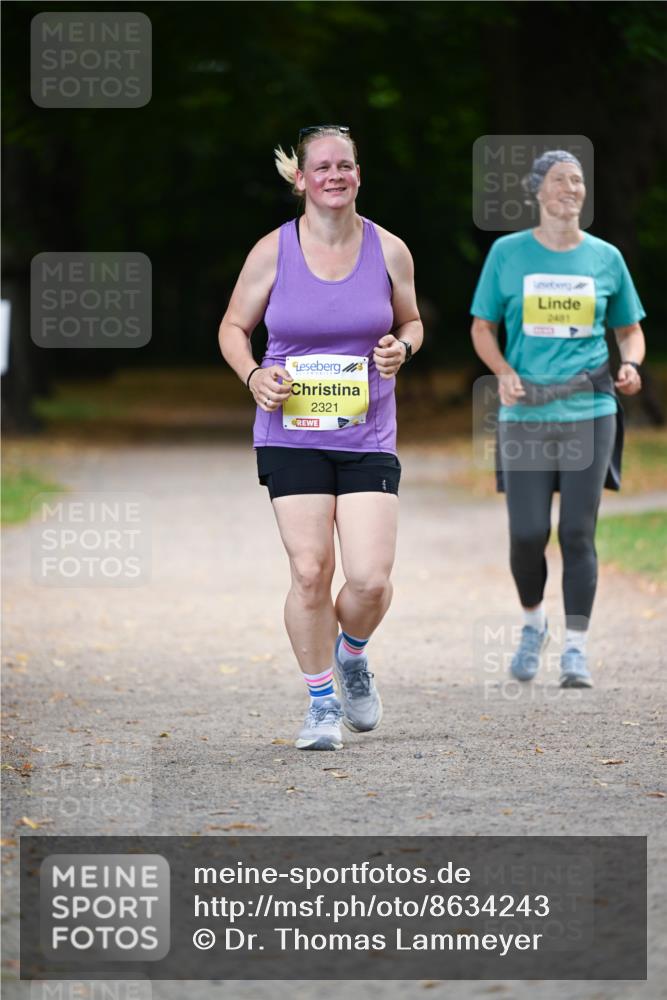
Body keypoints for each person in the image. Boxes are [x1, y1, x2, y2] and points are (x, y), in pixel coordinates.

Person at [218, 126, 423, 748]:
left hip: (367, 432)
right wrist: (253, 374)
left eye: (346, 166)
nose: (336, 175)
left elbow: (411, 320)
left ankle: (351, 654)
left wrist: (400, 348)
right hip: (291, 431)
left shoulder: (389, 251)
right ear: (301, 179)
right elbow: (232, 326)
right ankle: (321, 704)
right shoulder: (271, 252)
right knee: (310, 571)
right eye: (323, 167)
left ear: (358, 175)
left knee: (369, 580)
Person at [470, 150, 646, 688]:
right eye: (559, 179)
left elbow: (628, 330)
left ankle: (576, 648)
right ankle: (532, 624)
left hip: (589, 410)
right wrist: (501, 369)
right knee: (527, 534)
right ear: (537, 190)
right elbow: (482, 327)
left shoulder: (606, 258)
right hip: (524, 413)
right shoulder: (507, 253)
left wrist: (632, 363)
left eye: (578, 179)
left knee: (576, 532)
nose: (571, 187)